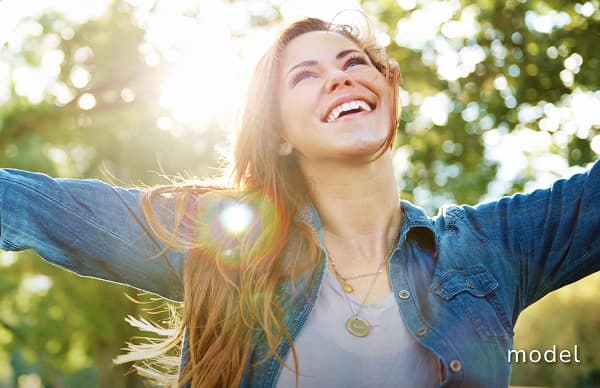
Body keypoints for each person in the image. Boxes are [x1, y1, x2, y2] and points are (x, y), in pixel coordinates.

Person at [0, 16, 599, 388]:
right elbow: (35, 205)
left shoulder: (490, 250)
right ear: (280, 134)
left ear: (388, 94)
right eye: (305, 75)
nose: (340, 77)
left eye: (353, 62)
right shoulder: (224, 242)